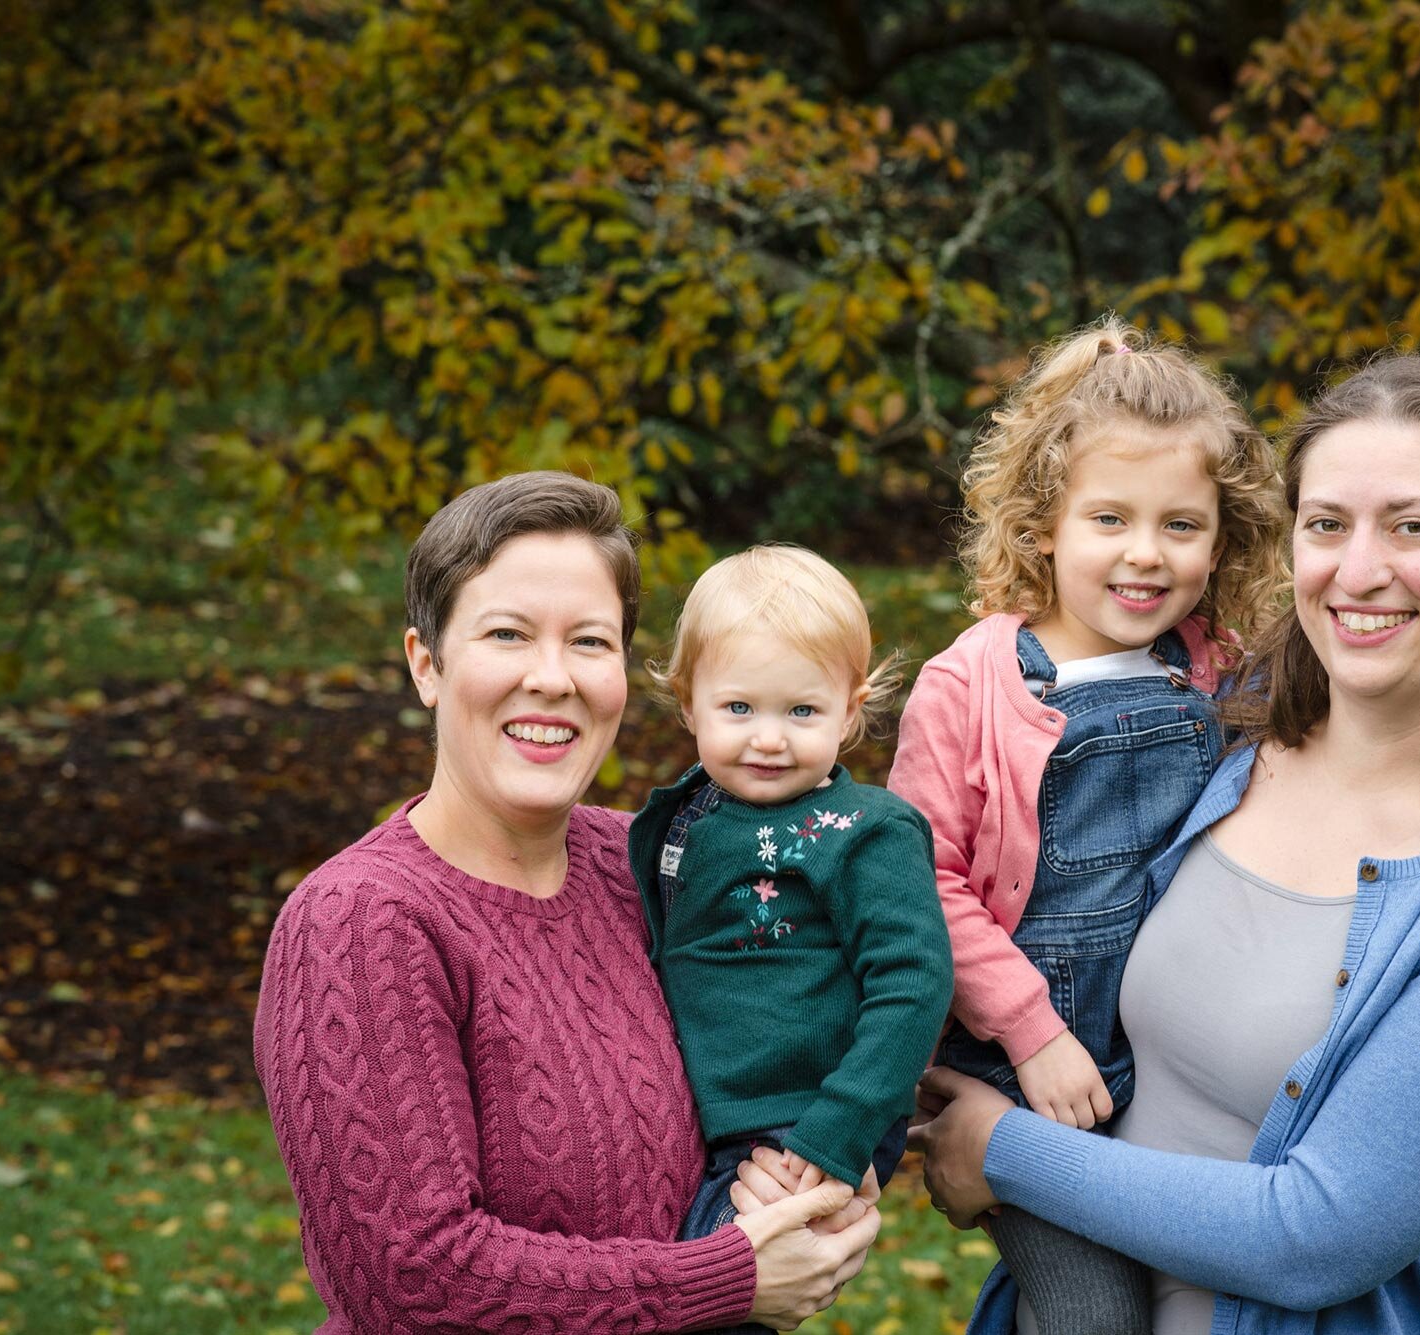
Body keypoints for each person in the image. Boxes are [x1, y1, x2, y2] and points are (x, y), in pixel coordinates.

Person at [897, 353, 1420, 1334]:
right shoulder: (1228, 743)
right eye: (1326, 525)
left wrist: (999, 1150)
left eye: (1411, 526)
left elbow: (1314, 1238)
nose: (1358, 567)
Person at [253, 472, 880, 1333]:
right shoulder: (361, 921)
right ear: (426, 663)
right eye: (508, 633)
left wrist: (815, 1162)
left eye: (590, 641)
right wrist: (726, 1276)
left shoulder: (657, 864)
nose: (553, 678)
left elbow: (798, 1020)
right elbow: (409, 1274)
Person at [883, 317, 1287, 1332]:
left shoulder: (1218, 673)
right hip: (1023, 1072)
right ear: (1044, 525)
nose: (1143, 556)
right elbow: (917, 879)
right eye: (1108, 519)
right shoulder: (969, 685)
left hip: (1167, 1077)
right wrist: (1031, 1034)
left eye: (1180, 526)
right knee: (1092, 1313)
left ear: (1221, 537)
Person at [626, 546, 953, 1277]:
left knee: (706, 1295)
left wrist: (835, 1131)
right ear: (688, 704)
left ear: (850, 712)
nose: (768, 737)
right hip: (707, 1114)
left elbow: (914, 983)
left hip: (795, 1120)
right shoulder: (689, 814)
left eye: (802, 710)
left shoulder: (866, 831)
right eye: (739, 707)